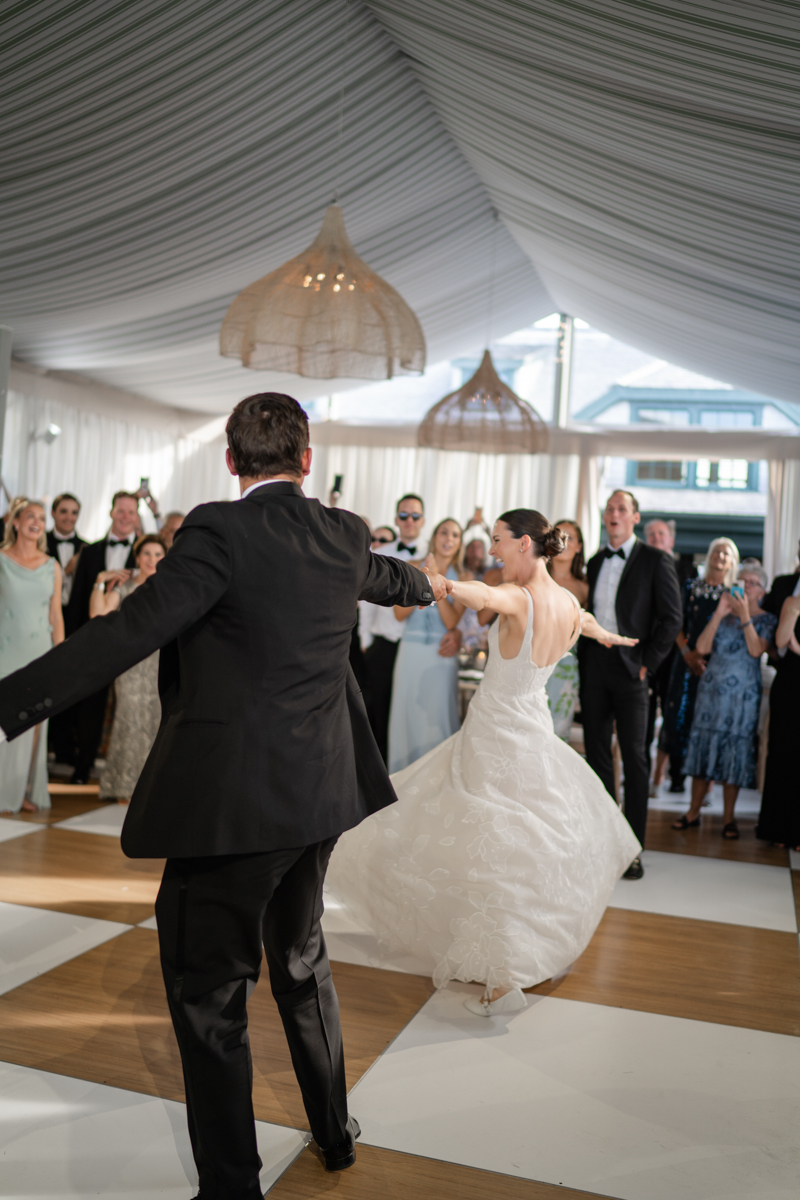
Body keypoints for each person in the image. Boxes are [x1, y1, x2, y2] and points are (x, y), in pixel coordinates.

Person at [0, 392, 445, 1196]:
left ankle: (232, 1187)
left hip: (238, 809)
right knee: (303, 960)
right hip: (322, 800)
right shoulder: (342, 532)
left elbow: (128, 631)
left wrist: (7, 703)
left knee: (210, 998)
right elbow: (396, 579)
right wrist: (436, 584)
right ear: (306, 461)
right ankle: (334, 1135)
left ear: (232, 462)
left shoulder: (218, 529)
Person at [326, 510, 640, 1018]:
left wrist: (444, 584)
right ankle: (510, 956)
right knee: (518, 842)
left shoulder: (520, 597)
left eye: (498, 540)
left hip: (496, 734)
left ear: (523, 545)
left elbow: (486, 596)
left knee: (485, 840)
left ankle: (502, 970)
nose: (493, 549)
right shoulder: (566, 599)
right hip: (533, 727)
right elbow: (581, 621)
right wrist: (605, 634)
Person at [579, 490, 682, 878]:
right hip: (595, 667)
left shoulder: (656, 560)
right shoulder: (594, 561)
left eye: (622, 509)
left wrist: (647, 664)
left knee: (635, 759)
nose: (614, 514)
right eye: (609, 508)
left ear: (635, 518)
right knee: (597, 756)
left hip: (632, 670)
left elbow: (672, 619)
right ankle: (606, 840)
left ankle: (632, 848)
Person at [676, 560, 777, 839]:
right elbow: (702, 649)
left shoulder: (767, 619)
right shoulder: (721, 614)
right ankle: (693, 811)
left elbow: (757, 650)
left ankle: (728, 819)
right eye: (740, 581)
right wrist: (720, 614)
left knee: (734, 750)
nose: (744, 586)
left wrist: (745, 616)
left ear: (762, 591)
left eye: (751, 583)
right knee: (703, 746)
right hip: (711, 692)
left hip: (743, 696)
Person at [361, 495, 455, 761]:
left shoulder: (435, 556)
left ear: (423, 521)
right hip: (384, 643)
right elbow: (365, 603)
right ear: (396, 519)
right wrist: (366, 641)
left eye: (415, 516)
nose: (409, 521)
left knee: (414, 715)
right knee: (379, 713)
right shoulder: (380, 553)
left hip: (418, 648)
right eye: (404, 515)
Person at [64, 491, 140, 783]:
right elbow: (78, 600)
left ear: (136, 517)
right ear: (111, 513)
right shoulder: (91, 552)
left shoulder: (146, 554)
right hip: (94, 641)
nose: (124, 517)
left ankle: (128, 772)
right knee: (90, 707)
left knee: (130, 705)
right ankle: (83, 767)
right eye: (120, 511)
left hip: (132, 642)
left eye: (130, 512)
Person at [658, 537, 739, 794]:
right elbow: (675, 622)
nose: (720, 556)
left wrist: (706, 660)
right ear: (709, 555)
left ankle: (703, 788)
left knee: (706, 721)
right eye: (717, 551)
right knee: (674, 716)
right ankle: (658, 777)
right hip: (684, 659)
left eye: (726, 554)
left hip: (715, 667)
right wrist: (687, 654)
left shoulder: (734, 593)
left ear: (732, 561)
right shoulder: (691, 586)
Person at [91, 535, 167, 804]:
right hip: (131, 664)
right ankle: (123, 785)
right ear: (137, 557)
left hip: (162, 662)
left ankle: (152, 788)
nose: (152, 559)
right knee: (130, 718)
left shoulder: (169, 589)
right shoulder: (123, 587)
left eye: (158, 554)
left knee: (157, 722)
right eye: (147, 553)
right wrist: (101, 581)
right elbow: (98, 616)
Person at [387, 518, 467, 772]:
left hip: (441, 657)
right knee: (406, 715)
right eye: (444, 532)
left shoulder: (463, 576)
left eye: (455, 535)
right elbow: (400, 614)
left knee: (438, 719)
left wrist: (436, 580)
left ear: (459, 543)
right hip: (410, 651)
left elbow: (452, 620)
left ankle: (438, 781)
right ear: (434, 536)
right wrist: (422, 577)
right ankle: (400, 779)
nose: (449, 539)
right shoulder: (412, 566)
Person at [0, 498, 64, 813]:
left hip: (39, 652)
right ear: (15, 522)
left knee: (32, 726)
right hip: (4, 650)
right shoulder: (0, 560)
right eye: (29, 516)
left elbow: (55, 616)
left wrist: (60, 657)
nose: (36, 522)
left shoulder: (52, 566)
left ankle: (21, 790)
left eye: (41, 517)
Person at [644, 519, 697, 793]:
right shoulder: (638, 565)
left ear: (671, 540)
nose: (655, 538)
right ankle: (641, 774)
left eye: (661, 534)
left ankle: (677, 776)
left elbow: (688, 617)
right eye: (651, 534)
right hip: (644, 650)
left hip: (676, 655)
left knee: (675, 712)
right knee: (644, 713)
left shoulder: (686, 570)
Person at [757, 540, 800, 849]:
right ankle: (775, 827)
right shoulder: (784, 585)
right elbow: (770, 627)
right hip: (788, 679)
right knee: (782, 748)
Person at [45, 492, 87, 765]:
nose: (69, 517)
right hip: (43, 618)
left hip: (74, 620)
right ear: (53, 514)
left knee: (68, 683)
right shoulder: (38, 543)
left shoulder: (86, 547)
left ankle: (65, 747)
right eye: (64, 511)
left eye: (74, 512)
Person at [545, 518, 588, 739]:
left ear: (579, 546)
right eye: (559, 535)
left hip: (566, 665)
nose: (565, 541)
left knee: (557, 731)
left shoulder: (584, 587)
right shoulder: (535, 576)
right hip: (532, 659)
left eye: (571, 538)